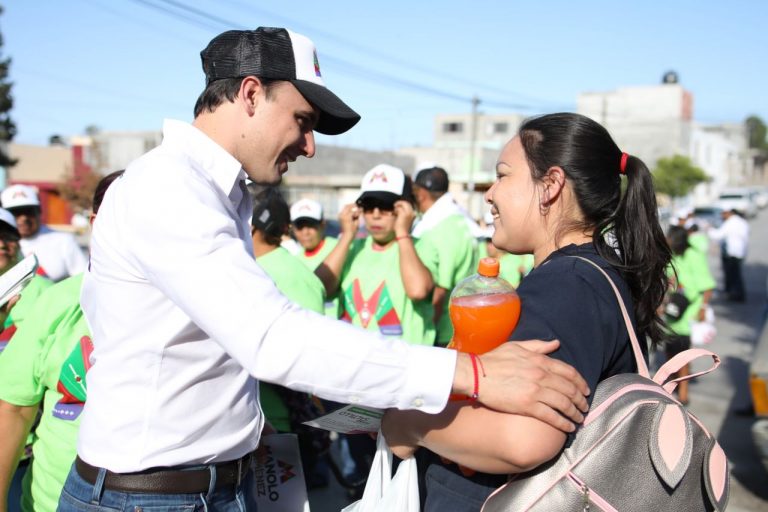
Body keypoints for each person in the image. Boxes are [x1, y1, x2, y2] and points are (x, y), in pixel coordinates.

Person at [59, 28, 589, 511]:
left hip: (210, 485)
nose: (309, 147)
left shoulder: (217, 194)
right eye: (302, 121)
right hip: (151, 497)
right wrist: (473, 376)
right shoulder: (168, 191)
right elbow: (271, 337)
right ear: (249, 94)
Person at [382, 112, 672, 511]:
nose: (489, 193)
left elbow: (524, 439)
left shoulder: (565, 284)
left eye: (503, 175)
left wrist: (408, 423)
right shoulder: (591, 274)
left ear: (550, 185)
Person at [0, 171, 123, 512]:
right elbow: (13, 407)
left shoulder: (199, 302)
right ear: (98, 222)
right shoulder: (57, 302)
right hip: (50, 502)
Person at [249, 186, 331, 490]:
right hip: (268, 417)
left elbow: (307, 350)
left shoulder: (271, 272)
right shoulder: (279, 268)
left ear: (251, 226)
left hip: (282, 420)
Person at [317, 163, 436, 345]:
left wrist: (403, 233)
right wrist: (347, 235)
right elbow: (319, 288)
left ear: (406, 209)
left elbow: (418, 291)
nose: (376, 214)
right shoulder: (352, 247)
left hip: (401, 365)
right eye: (369, 206)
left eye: (386, 206)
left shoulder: (421, 247)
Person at [411, 166, 478, 346]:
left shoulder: (437, 228)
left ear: (420, 194)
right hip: (463, 325)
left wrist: (426, 332)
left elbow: (440, 292)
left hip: (441, 332)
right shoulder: (461, 222)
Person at [663, 225, 715, 405]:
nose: (667, 240)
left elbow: (707, 285)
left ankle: (683, 392)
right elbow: (668, 278)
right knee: (669, 350)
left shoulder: (694, 256)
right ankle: (673, 384)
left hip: (689, 311)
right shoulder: (672, 256)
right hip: (673, 309)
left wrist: (703, 308)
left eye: (669, 237)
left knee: (682, 352)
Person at [0, 185, 87, 282]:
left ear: (40, 211)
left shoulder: (63, 240)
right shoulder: (4, 246)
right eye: (15, 212)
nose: (24, 218)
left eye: (29, 211)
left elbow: (82, 279)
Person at [291, 197, 340, 317]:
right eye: (300, 227)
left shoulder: (338, 248)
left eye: (311, 226)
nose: (305, 232)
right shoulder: (294, 259)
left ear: (323, 225)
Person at [708, 208, 749, 302]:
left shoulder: (730, 223)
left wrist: (709, 229)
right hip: (740, 252)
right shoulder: (742, 222)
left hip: (732, 253)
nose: (722, 216)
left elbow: (718, 235)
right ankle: (736, 294)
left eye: (723, 214)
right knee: (736, 275)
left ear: (728, 213)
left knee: (734, 275)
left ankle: (737, 295)